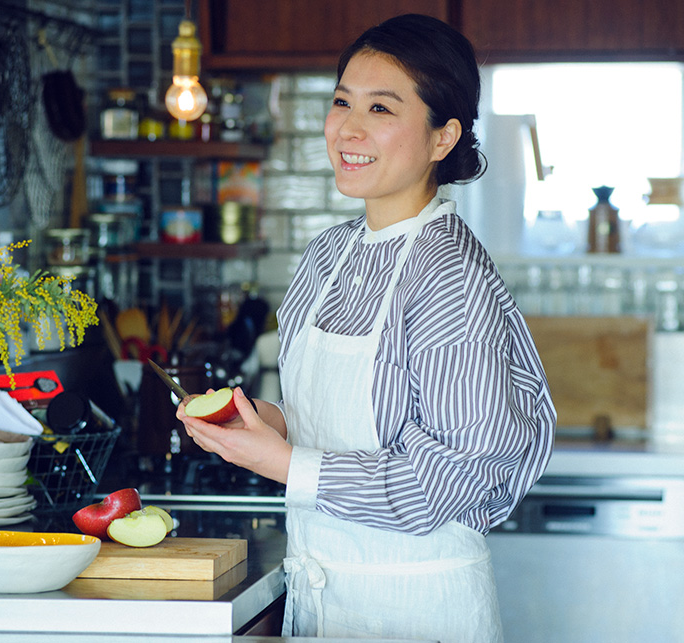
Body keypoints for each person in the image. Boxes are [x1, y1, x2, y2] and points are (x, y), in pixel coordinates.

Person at [177, 13, 555, 642]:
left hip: (415, 607)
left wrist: (288, 465)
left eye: (381, 108)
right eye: (341, 102)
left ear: (443, 137)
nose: (347, 128)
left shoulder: (449, 276)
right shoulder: (329, 256)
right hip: (321, 597)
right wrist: (263, 423)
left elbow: (456, 478)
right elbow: (335, 420)